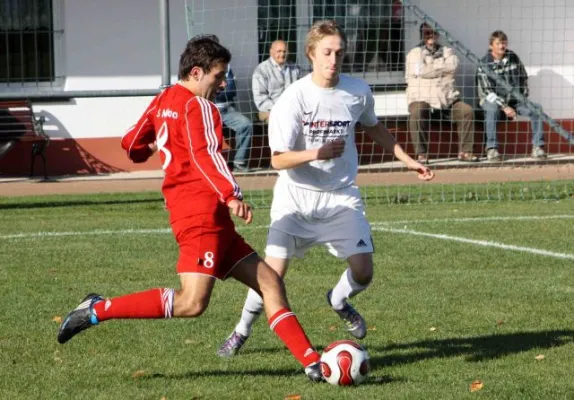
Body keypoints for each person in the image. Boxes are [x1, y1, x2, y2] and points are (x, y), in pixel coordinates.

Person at [56, 36, 324, 383]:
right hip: (200, 215)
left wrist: (147, 148)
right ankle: (97, 309)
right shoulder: (199, 106)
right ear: (197, 72)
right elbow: (205, 153)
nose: (222, 83)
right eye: (218, 75)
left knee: (270, 283)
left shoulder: (165, 98)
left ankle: (312, 362)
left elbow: (131, 142)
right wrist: (231, 193)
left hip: (210, 219)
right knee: (192, 303)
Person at [217, 20, 434, 358]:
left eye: (339, 53)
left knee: (364, 270)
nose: (334, 59)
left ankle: (338, 298)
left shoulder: (357, 91)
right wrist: (315, 153)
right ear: (311, 54)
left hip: (340, 196)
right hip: (295, 199)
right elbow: (278, 159)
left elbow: (375, 128)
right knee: (272, 275)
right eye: (327, 52)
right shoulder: (293, 99)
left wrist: (408, 160)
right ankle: (241, 330)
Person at [406, 23, 478, 163]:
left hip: (447, 99)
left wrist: (431, 69)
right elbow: (421, 71)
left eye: (433, 32)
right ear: (422, 35)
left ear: (438, 34)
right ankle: (422, 154)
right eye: (427, 33)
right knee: (417, 111)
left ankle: (465, 152)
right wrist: (442, 68)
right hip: (422, 98)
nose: (430, 35)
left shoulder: (448, 51)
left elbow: (453, 67)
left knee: (466, 111)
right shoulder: (414, 53)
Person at [476, 30, 546, 161]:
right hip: (492, 100)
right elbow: (486, 91)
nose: (502, 46)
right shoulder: (484, 63)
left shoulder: (513, 57)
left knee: (536, 109)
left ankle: (538, 147)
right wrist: (504, 106)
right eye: (498, 43)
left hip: (515, 99)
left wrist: (523, 97)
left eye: (504, 43)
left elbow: (523, 78)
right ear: (491, 46)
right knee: (491, 110)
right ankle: (492, 149)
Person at [205, 36, 254, 173]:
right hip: (207, 109)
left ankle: (240, 162)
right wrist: (219, 90)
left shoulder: (226, 66)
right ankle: (211, 165)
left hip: (226, 109)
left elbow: (231, 89)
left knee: (246, 124)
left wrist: (215, 91)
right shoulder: (200, 66)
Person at [252, 40, 301, 122]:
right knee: (281, 121)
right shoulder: (261, 70)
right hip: (269, 110)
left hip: (293, 109)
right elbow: (260, 98)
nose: (282, 54)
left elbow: (300, 92)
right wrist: (280, 109)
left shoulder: (295, 68)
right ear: (271, 52)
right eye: (279, 51)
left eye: (284, 51)